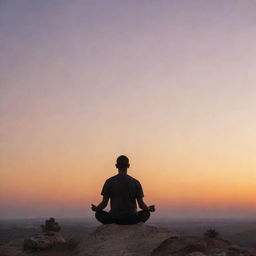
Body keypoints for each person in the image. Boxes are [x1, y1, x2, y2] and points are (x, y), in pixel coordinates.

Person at [91, 155, 155, 225]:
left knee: (98, 214)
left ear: (116, 166)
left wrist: (96, 209)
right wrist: (148, 208)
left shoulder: (109, 181)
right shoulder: (136, 182)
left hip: (115, 218)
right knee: (146, 213)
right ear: (128, 165)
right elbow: (141, 205)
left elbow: (104, 203)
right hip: (132, 218)